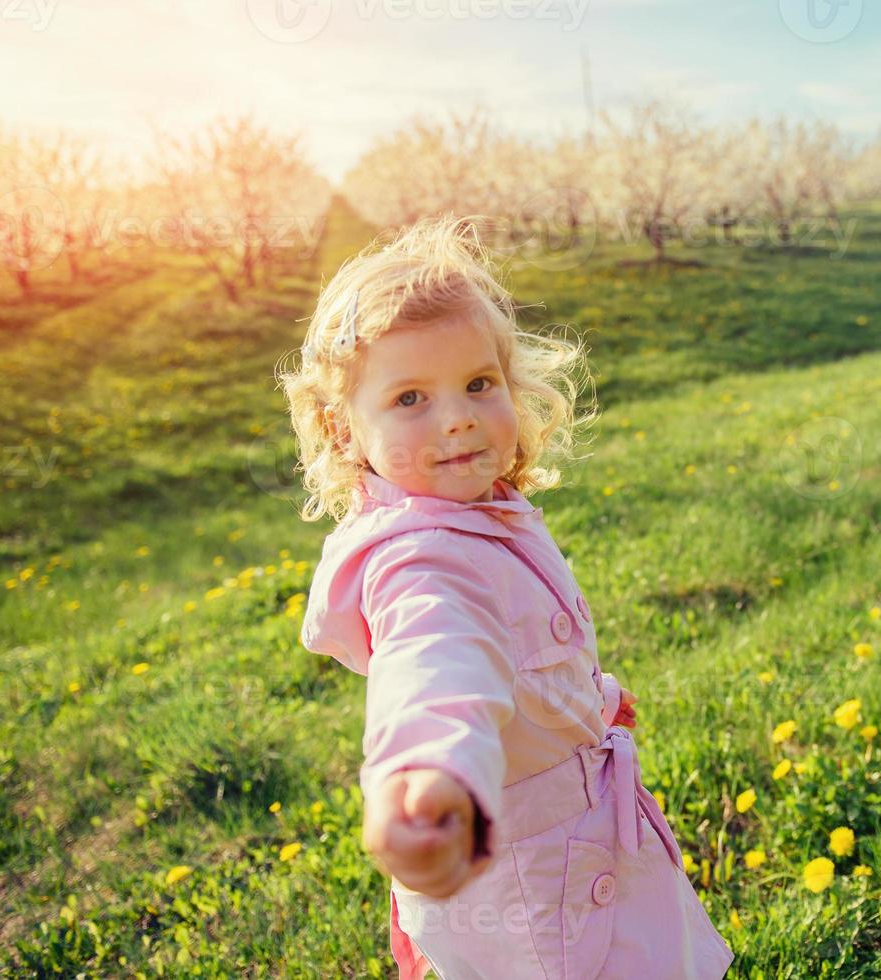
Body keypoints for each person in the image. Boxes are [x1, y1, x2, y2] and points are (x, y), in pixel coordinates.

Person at [279, 213, 735, 980]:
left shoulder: (473, 510)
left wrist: (583, 707)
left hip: (570, 852)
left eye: (478, 384)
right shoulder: (420, 561)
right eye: (411, 398)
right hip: (537, 895)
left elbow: (520, 655)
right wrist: (430, 775)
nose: (456, 415)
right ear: (342, 429)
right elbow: (437, 661)